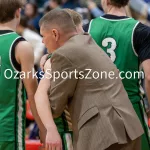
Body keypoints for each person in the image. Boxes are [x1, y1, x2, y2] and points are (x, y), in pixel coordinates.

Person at [35, 9, 144, 150]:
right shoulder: (87, 40)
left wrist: (48, 72)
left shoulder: (64, 54)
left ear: (55, 34)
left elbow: (55, 107)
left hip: (104, 133)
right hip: (128, 126)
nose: (43, 41)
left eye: (43, 36)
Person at [88, 0, 150, 150]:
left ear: (106, 0)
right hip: (131, 106)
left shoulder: (87, 28)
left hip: (97, 108)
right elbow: (149, 76)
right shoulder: (141, 30)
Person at [35, 9, 84, 150]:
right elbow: (41, 94)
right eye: (80, 30)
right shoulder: (57, 59)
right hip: (64, 131)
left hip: (78, 130)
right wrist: (49, 128)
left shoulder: (72, 55)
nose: (83, 35)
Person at [0, 0, 45, 149]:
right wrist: (43, 128)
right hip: (8, 129)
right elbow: (32, 93)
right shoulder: (21, 45)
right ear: (18, 12)